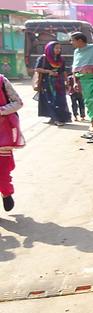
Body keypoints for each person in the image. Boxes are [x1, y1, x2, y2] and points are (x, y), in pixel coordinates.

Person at [70, 32, 93, 138]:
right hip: (83, 82)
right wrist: (76, 82)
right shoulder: (76, 52)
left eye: (73, 40)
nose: (71, 43)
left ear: (80, 40)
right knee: (89, 103)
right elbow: (74, 68)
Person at [0, 73, 24, 212]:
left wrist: (1, 111)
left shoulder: (2, 81)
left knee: (2, 173)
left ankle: (6, 192)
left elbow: (18, 102)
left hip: (2, 136)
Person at [34, 41, 72, 126]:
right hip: (47, 83)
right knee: (50, 100)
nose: (58, 50)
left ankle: (59, 117)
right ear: (50, 49)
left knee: (60, 100)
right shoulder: (43, 58)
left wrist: (67, 82)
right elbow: (37, 69)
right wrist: (48, 71)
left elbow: (63, 71)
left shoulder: (61, 59)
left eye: (59, 48)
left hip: (59, 83)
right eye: (56, 48)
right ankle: (56, 119)